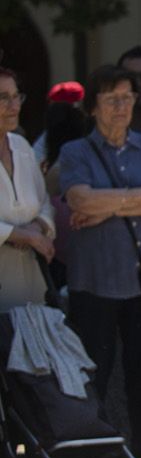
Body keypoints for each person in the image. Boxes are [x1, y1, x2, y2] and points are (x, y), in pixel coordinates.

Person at [59, 65, 141, 458]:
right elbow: (80, 202)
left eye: (127, 97)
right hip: (95, 282)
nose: (122, 106)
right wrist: (135, 200)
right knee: (94, 375)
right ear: (93, 107)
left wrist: (106, 203)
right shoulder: (74, 152)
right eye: (112, 99)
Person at [0, 68, 55, 310]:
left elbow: (44, 202)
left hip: (30, 286)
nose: (14, 105)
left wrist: (37, 226)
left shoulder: (21, 146)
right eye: (3, 98)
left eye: (16, 96)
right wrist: (21, 235)